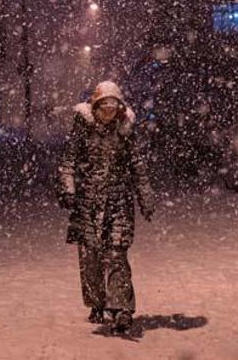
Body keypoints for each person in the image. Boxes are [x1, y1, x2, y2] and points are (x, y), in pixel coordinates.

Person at [56, 80, 155, 334]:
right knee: (90, 257)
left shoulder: (126, 131)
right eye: (104, 107)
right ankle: (97, 304)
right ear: (96, 106)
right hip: (87, 204)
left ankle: (122, 309)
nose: (108, 112)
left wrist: (145, 197)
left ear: (119, 108)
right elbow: (68, 161)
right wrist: (68, 188)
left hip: (118, 202)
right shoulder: (83, 129)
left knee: (116, 255)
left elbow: (138, 167)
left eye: (113, 107)